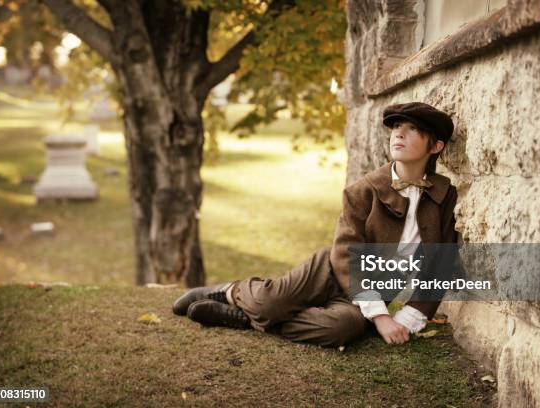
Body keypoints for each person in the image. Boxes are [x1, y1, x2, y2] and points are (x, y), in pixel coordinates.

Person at [172, 102, 459, 348]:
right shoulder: (363, 190)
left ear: (435, 146)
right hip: (333, 268)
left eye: (413, 130)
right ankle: (231, 291)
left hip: (370, 292)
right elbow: (348, 253)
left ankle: (247, 320)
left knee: (342, 330)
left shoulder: (443, 195)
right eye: (397, 127)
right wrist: (381, 317)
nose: (399, 133)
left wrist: (410, 317)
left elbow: (440, 264)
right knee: (269, 304)